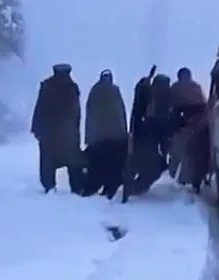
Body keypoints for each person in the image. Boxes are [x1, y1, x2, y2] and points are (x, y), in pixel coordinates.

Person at [30, 64, 84, 194]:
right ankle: (77, 187)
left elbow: (40, 107)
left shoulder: (47, 86)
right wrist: (76, 130)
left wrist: (36, 127)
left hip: (49, 132)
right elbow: (76, 112)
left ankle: (49, 186)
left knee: (48, 160)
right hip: (67, 132)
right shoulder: (72, 87)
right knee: (73, 159)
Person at [122, 73, 174, 200]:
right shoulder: (163, 109)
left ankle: (130, 188)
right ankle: (136, 188)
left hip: (138, 142)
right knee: (155, 168)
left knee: (134, 165)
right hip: (150, 148)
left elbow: (139, 98)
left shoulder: (146, 100)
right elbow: (164, 139)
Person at [82, 69, 128, 199]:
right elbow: (120, 113)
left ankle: (93, 187)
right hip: (114, 137)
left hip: (97, 137)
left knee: (98, 164)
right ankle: (109, 187)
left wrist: (89, 136)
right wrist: (123, 133)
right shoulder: (115, 91)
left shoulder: (94, 91)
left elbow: (90, 114)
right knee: (113, 164)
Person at [169, 67, 210, 190]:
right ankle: (196, 180)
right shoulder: (196, 86)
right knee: (196, 154)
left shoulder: (175, 88)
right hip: (201, 124)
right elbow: (203, 103)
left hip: (184, 125)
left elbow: (171, 107)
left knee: (183, 152)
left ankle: (183, 178)